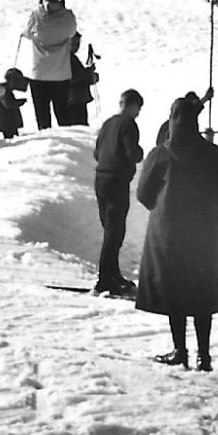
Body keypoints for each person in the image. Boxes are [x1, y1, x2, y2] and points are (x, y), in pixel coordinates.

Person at [136, 96, 218, 372]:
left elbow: (143, 193)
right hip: (202, 232)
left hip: (168, 233)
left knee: (173, 290)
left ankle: (180, 350)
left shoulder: (160, 154)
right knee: (201, 292)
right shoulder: (213, 153)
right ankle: (204, 355)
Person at [93, 89, 146, 295]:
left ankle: (112, 273)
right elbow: (132, 152)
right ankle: (105, 279)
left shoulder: (108, 123)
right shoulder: (128, 124)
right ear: (133, 105)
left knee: (110, 228)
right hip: (116, 180)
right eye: (138, 108)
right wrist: (139, 153)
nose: (138, 113)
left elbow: (97, 152)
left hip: (101, 178)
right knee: (115, 232)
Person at [22, 0, 78, 130]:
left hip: (39, 74)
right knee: (63, 116)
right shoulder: (68, 17)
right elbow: (72, 33)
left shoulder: (36, 16)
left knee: (43, 120)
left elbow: (26, 34)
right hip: (61, 74)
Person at [0, 68, 28, 139]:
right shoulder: (2, 90)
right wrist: (19, 102)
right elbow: (8, 104)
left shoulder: (4, 89)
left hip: (8, 122)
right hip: (7, 123)